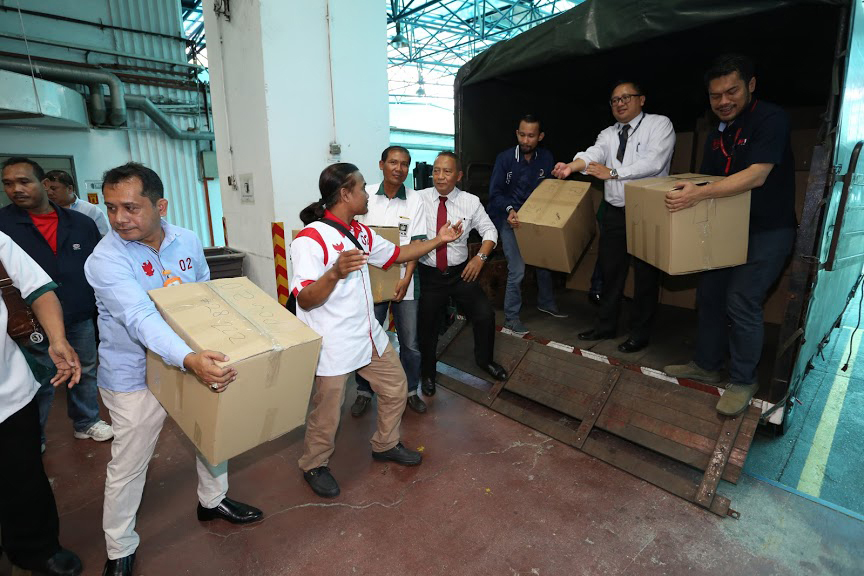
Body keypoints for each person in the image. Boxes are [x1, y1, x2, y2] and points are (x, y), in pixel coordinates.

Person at [83, 163, 262, 576]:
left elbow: (203, 294)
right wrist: (188, 359)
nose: (119, 219)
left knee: (210, 436)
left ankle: (213, 501)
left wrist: (209, 350)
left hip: (190, 360)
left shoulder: (188, 240)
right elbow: (140, 317)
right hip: (133, 374)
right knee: (129, 463)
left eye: (131, 207)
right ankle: (120, 546)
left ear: (160, 205)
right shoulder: (105, 259)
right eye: (111, 208)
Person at [291, 162, 463, 499]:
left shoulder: (361, 231)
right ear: (345, 194)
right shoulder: (310, 239)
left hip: (368, 333)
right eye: (362, 187)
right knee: (328, 411)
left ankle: (385, 443)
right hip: (333, 341)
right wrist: (334, 273)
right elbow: (306, 299)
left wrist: (438, 240)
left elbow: (397, 254)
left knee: (397, 386)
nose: (367, 193)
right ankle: (314, 464)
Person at [663, 54, 797, 416]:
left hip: (769, 230)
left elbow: (757, 175)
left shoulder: (770, 119)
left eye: (732, 91)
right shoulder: (718, 133)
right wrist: (685, 191)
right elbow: (708, 179)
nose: (723, 101)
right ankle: (706, 364)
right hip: (728, 229)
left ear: (751, 85)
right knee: (710, 294)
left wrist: (698, 193)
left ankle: (742, 380)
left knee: (741, 299)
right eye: (715, 95)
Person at [552, 81, 675, 354]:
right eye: (614, 100)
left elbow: (655, 163)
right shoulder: (608, 133)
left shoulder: (659, 125)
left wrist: (614, 173)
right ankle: (606, 325)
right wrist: (571, 166)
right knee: (610, 272)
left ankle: (639, 333)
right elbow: (593, 154)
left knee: (645, 276)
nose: (620, 103)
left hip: (647, 211)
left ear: (641, 99)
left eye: (626, 97)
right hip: (616, 212)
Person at [0, 158, 113, 451]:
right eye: (8, 184)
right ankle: (33, 437)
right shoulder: (3, 225)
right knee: (40, 380)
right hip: (29, 321)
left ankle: (86, 422)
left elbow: (98, 266)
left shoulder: (80, 223)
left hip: (77, 311)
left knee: (84, 367)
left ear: (45, 185)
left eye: (24, 181)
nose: (16, 189)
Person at [0, 230, 84, 576]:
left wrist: (58, 339)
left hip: (7, 391)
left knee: (23, 474)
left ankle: (37, 549)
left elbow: (38, 289)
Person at [417, 151, 507, 393]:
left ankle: (485, 360)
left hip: (461, 274)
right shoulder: (418, 199)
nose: (440, 176)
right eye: (436, 170)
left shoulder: (470, 201)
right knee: (427, 326)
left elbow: (490, 231)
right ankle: (427, 374)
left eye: (446, 171)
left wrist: (480, 258)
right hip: (430, 276)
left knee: (485, 315)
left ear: (457, 176)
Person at [353, 146, 429, 416]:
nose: (399, 168)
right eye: (393, 162)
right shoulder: (366, 195)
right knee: (368, 338)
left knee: (410, 342)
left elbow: (418, 243)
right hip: (370, 279)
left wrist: (406, 279)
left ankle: (411, 390)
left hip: (403, 278)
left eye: (404, 164)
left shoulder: (415, 200)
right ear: (381, 164)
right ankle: (363, 390)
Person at [487, 114, 565, 337]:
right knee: (518, 269)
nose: (526, 140)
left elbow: (550, 190)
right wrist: (510, 209)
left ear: (540, 136)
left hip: (535, 218)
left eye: (531, 136)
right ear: (517, 134)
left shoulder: (546, 158)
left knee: (543, 261)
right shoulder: (505, 159)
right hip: (508, 217)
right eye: (522, 134)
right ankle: (511, 318)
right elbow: (495, 194)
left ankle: (546, 303)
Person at [44, 169, 110, 236]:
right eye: (46, 189)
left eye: (53, 189)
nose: (49, 193)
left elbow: (103, 237)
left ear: (70, 189)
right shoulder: (44, 211)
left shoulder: (90, 210)